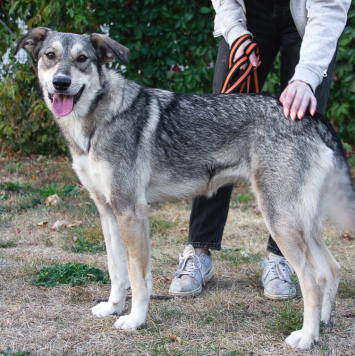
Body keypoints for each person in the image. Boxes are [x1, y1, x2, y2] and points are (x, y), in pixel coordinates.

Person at [169, 0, 351, 299]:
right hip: (249, 11)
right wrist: (235, 31)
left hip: (309, 15)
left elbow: (329, 8)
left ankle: (282, 255)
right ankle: (198, 249)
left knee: (298, 132)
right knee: (217, 133)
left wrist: (306, 76)